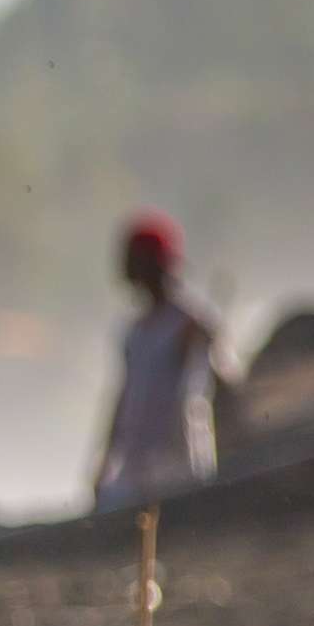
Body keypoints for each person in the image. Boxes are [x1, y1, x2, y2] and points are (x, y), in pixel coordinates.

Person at [94, 211, 219, 509]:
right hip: (135, 464)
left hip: (179, 459)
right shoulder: (135, 332)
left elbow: (214, 383)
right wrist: (104, 459)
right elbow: (124, 398)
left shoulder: (188, 325)